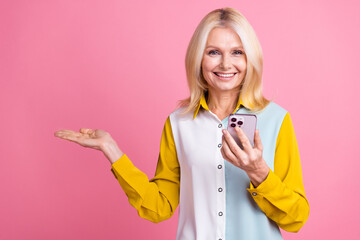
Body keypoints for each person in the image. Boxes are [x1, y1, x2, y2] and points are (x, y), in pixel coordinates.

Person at [54, 7, 309, 240]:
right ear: (199, 59)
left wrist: (258, 172)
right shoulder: (179, 124)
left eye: (237, 52)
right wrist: (112, 150)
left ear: (249, 58)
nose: (225, 64)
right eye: (213, 52)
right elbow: (158, 207)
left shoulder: (277, 120)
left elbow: (296, 218)